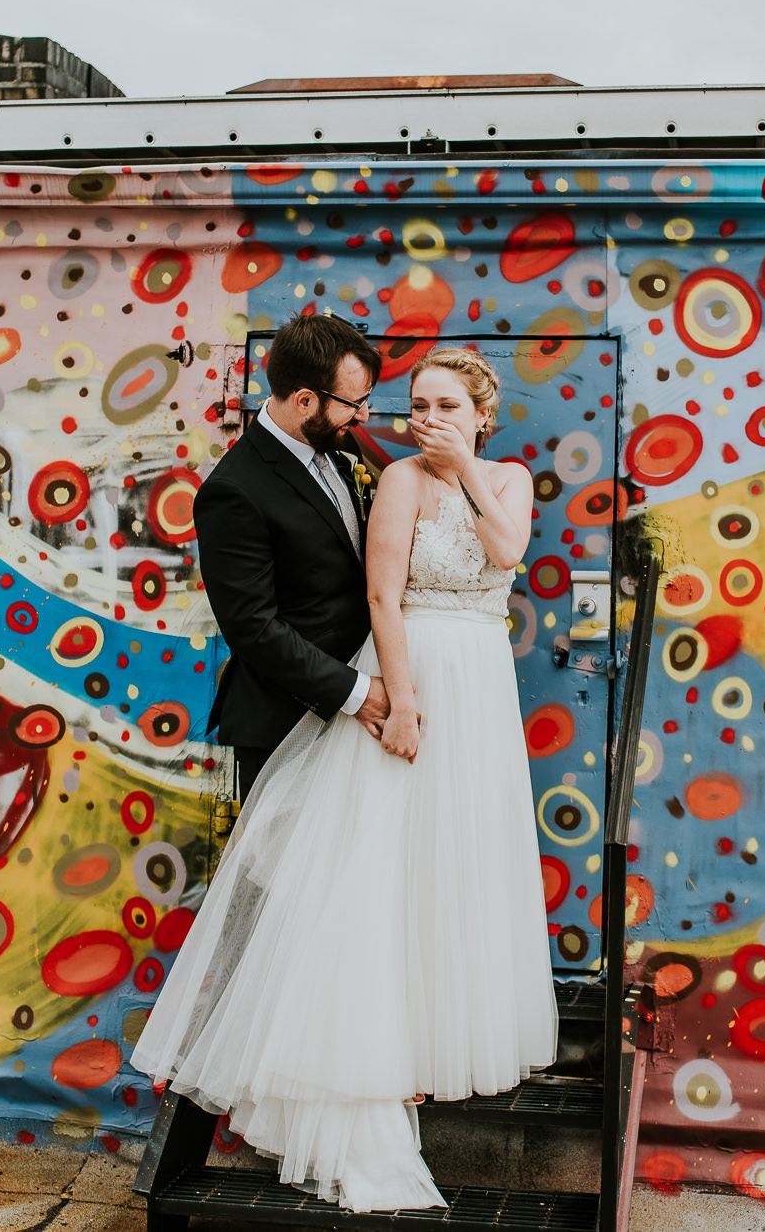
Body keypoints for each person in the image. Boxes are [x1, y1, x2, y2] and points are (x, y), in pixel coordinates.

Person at [132, 344, 558, 1211]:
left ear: (481, 413)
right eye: (414, 404)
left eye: (444, 404)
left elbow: (507, 548)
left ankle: (408, 1064)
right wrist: (393, 698)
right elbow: (372, 599)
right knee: (348, 894)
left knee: (445, 881)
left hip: (479, 697)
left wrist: (465, 468)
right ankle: (328, 1090)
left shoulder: (493, 476)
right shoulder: (376, 479)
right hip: (388, 686)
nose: (415, 418)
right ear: (302, 398)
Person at [189, 313, 391, 804]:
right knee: (276, 883)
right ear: (305, 401)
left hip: (350, 723)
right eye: (355, 403)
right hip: (284, 725)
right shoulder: (233, 491)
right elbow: (254, 628)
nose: (364, 416)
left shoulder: (334, 454)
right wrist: (360, 693)